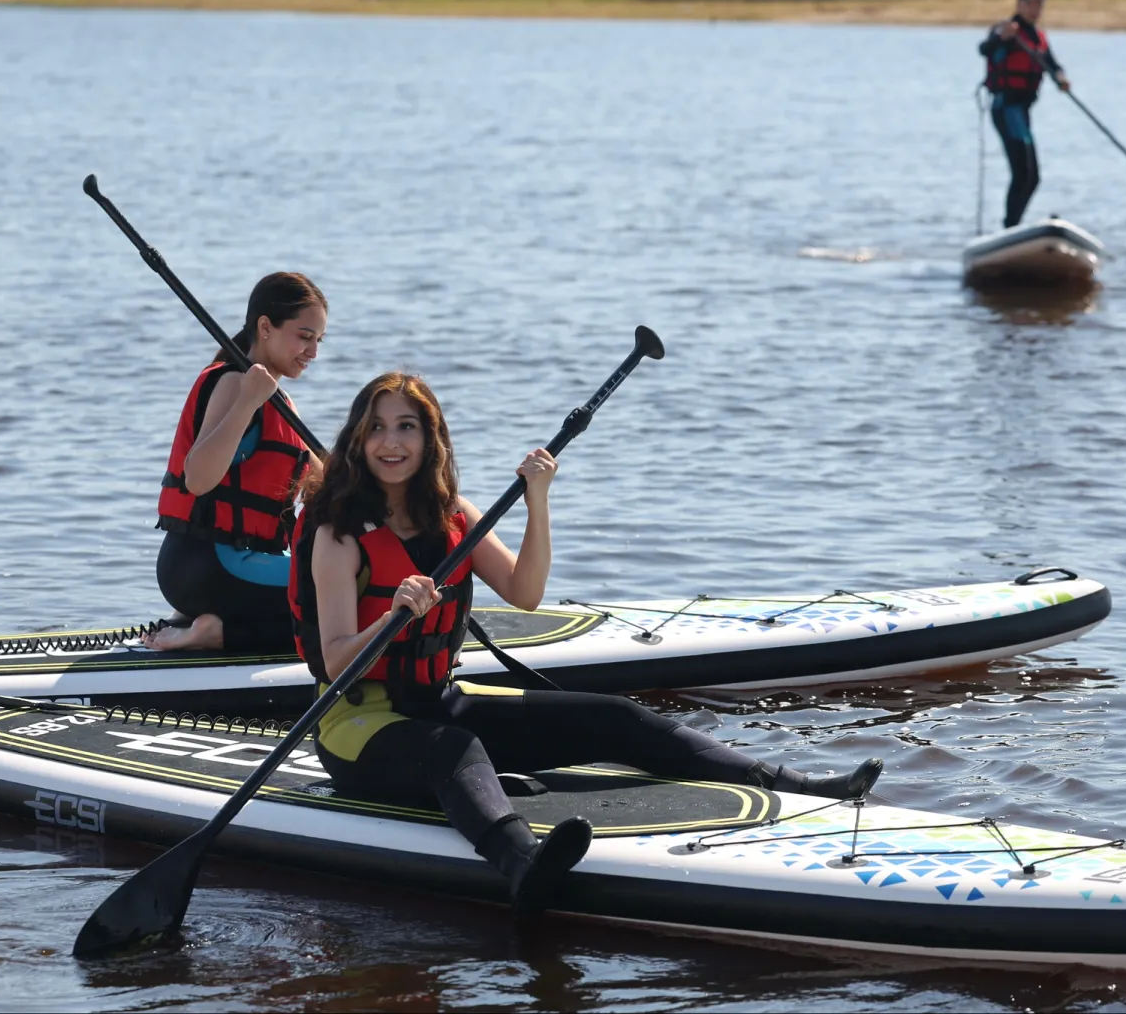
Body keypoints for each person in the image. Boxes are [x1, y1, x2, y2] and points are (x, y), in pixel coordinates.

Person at [289, 372, 885, 914]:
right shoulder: (339, 533)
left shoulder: (454, 515)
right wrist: (390, 614)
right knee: (453, 747)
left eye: (406, 428)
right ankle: (522, 863)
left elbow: (525, 591)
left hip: (437, 702)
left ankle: (798, 785)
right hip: (357, 729)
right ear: (358, 441)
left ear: (431, 439)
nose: (391, 443)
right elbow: (340, 657)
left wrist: (538, 501)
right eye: (377, 429)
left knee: (613, 718)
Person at [146, 272, 327, 653]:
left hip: (217, 565)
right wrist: (247, 401)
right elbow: (197, 478)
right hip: (210, 564)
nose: (313, 352)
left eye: (318, 340)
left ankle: (214, 619)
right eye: (304, 337)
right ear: (265, 327)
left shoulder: (276, 400)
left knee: (343, 580)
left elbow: (325, 482)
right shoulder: (235, 384)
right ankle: (217, 632)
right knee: (343, 600)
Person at [979, 0, 1070, 229]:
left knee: (1032, 177)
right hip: (1005, 109)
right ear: (1020, 4)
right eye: (1032, 3)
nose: (1037, 9)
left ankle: (1012, 226)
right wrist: (1000, 38)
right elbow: (985, 49)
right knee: (1024, 174)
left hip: (1022, 111)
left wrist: (1060, 77)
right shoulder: (1006, 30)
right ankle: (1010, 228)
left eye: (1041, 4)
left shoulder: (1037, 36)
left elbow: (1052, 63)